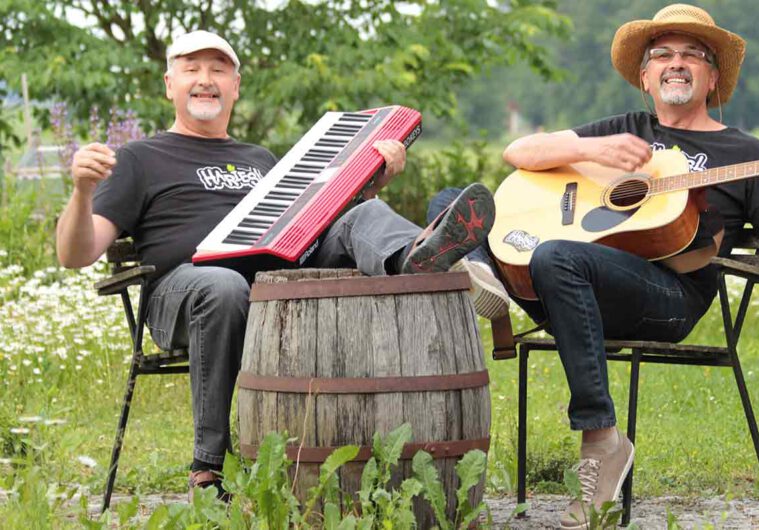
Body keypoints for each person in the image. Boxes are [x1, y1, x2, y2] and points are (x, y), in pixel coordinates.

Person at [433, 4, 759, 528]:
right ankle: (493, 278)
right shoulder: (625, 130)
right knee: (454, 201)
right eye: (662, 54)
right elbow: (519, 150)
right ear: (644, 77)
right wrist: (595, 146)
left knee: (556, 256)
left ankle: (603, 441)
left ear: (713, 78)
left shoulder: (746, 153)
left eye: (693, 55)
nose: (676, 63)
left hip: (666, 298)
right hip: (568, 286)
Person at [55, 30, 495, 500]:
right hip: (185, 292)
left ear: (236, 86)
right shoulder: (140, 157)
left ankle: (416, 259)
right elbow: (74, 254)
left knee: (361, 215)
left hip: (271, 284)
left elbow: (315, 224)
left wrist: (370, 183)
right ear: (169, 84)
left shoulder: (261, 160)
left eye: (218, 69)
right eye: (192, 69)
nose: (206, 80)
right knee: (221, 287)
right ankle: (208, 467)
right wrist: (82, 191)